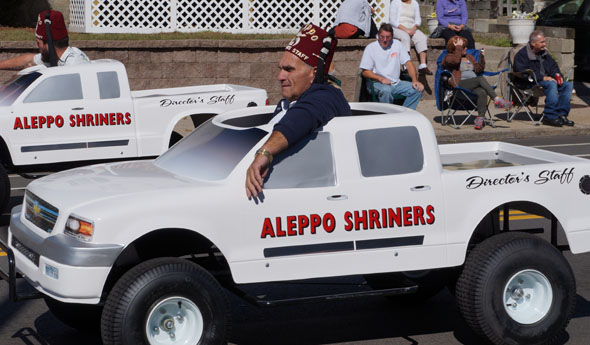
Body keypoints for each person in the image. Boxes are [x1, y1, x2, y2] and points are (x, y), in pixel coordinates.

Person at [245, 24, 351, 199]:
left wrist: (264, 154)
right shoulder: (288, 103)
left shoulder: (326, 97)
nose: (280, 76)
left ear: (313, 73)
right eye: (280, 69)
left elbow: (300, 118)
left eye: (289, 69)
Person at [442, 36, 512, 130]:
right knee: (480, 79)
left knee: (482, 92)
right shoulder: (448, 57)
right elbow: (455, 61)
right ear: (455, 48)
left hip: (472, 84)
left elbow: (478, 70)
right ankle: (497, 100)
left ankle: (480, 119)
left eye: (465, 46)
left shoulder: (469, 57)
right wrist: (458, 47)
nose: (466, 48)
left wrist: (481, 57)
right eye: (463, 47)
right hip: (458, 85)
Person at [513, 30, 575, 127]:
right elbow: (523, 73)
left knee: (568, 85)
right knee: (551, 84)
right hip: (529, 83)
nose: (545, 44)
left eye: (544, 42)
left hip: (547, 81)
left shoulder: (544, 53)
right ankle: (550, 116)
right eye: (542, 42)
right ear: (533, 43)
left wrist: (558, 76)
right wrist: (543, 77)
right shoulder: (522, 55)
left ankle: (561, 114)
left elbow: (554, 67)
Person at [359, 23, 424, 110]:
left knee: (417, 89)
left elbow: (408, 63)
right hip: (377, 83)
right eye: (382, 37)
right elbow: (365, 72)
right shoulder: (371, 48)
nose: (385, 40)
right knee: (386, 90)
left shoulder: (397, 44)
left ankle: (405, 115)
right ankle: (388, 116)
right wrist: (380, 79)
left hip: (396, 83)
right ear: (378, 36)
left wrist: (415, 80)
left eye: (388, 37)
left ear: (392, 37)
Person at [0, 10, 89, 70]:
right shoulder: (52, 56)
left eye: (38, 43)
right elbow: (28, 60)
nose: (36, 46)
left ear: (48, 44)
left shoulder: (76, 65)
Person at [389, 0, 432, 75]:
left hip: (412, 28)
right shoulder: (395, 2)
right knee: (405, 37)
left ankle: (423, 65)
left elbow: (418, 20)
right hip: (398, 28)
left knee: (422, 38)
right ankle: (406, 66)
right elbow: (392, 21)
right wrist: (407, 31)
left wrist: (413, 29)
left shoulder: (414, 3)